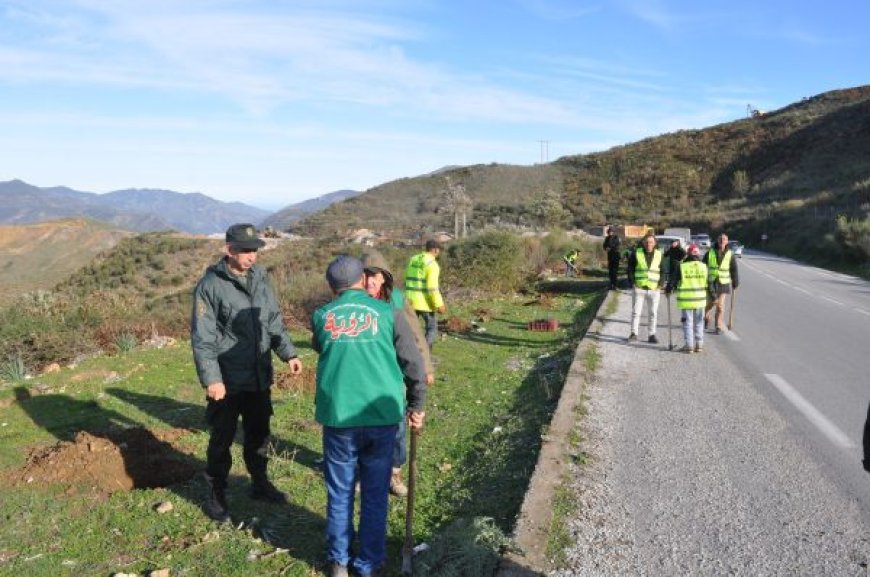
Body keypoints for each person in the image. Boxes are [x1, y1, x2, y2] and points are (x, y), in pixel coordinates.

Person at [312, 255, 427, 577]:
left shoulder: (321, 315)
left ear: (331, 285)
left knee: (340, 493)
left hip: (339, 417)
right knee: (375, 493)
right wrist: (417, 404)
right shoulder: (389, 312)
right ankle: (369, 562)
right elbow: (412, 362)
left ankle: (338, 562)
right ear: (363, 279)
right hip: (381, 416)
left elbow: (321, 345)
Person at [190, 223, 303, 523]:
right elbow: (203, 338)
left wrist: (288, 352)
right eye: (245, 251)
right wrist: (212, 379)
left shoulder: (261, 278)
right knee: (222, 439)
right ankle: (217, 493)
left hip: (258, 375)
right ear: (229, 250)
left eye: (255, 250)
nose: (252, 256)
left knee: (259, 434)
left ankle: (260, 483)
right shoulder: (210, 286)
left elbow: (273, 320)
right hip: (226, 380)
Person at [360, 248, 434, 498]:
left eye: (376, 275)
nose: (370, 281)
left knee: (397, 428)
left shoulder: (397, 300)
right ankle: (365, 471)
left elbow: (416, 336)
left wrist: (425, 368)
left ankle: (393, 472)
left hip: (395, 375)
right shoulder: (354, 302)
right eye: (365, 275)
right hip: (365, 378)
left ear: (384, 278)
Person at [404, 239, 446, 350]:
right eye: (439, 250)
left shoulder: (413, 259)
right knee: (431, 328)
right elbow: (432, 288)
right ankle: (425, 353)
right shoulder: (432, 264)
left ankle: (409, 351)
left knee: (411, 328)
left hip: (410, 300)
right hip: (424, 302)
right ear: (435, 250)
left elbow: (408, 279)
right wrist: (439, 305)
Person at [666, 244, 708, 353]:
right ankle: (699, 345)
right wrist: (713, 295)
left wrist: (668, 288)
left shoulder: (682, 266)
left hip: (687, 300)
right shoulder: (704, 266)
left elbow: (673, 280)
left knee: (687, 323)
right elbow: (710, 283)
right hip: (700, 300)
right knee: (699, 322)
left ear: (688, 254)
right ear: (698, 254)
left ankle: (689, 345)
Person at [626, 233, 664, 343]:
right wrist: (633, 283)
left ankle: (652, 335)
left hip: (654, 289)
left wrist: (660, 285)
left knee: (653, 313)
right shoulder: (636, 253)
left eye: (651, 242)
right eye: (647, 242)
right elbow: (630, 269)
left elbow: (663, 271)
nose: (649, 244)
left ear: (655, 243)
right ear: (643, 243)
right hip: (639, 288)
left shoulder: (659, 254)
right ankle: (634, 333)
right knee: (636, 312)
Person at [704, 233, 740, 334]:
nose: (722, 241)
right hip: (712, 282)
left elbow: (734, 269)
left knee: (720, 306)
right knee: (710, 304)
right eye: (720, 240)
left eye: (724, 240)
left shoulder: (730, 254)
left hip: (723, 283)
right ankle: (706, 318)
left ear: (727, 242)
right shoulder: (710, 252)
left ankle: (718, 326)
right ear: (717, 241)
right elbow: (702, 266)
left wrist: (735, 281)